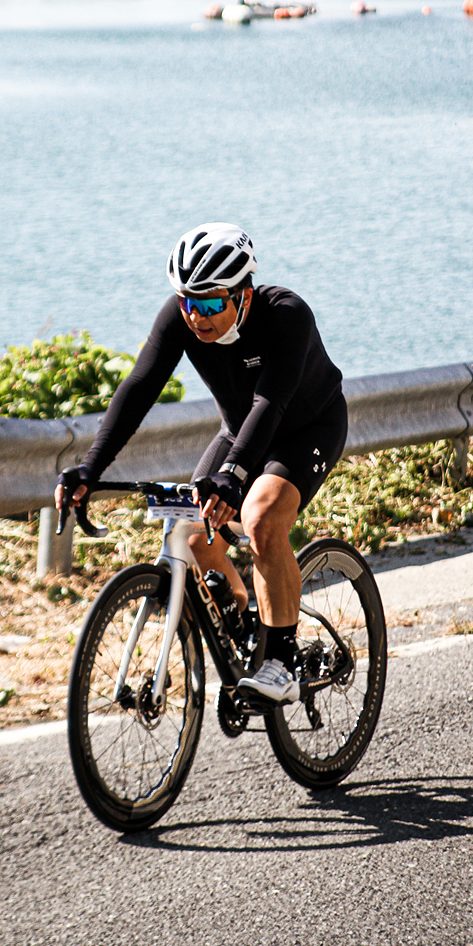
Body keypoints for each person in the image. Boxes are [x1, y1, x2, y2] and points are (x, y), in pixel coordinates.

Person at [56, 224, 347, 704]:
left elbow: (269, 403)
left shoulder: (286, 315)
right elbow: (139, 387)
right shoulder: (181, 316)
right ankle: (247, 633)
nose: (196, 316)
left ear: (243, 294)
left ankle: (281, 660)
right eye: (189, 301)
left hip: (306, 429)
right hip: (239, 434)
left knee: (260, 519)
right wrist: (91, 468)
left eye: (211, 304)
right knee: (193, 539)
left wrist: (232, 474)